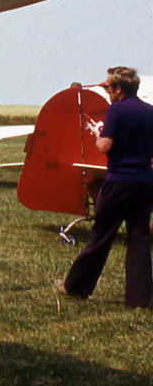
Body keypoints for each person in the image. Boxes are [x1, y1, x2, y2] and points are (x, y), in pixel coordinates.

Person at [57, 66, 153, 308]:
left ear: (118, 89)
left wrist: (96, 133)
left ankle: (75, 287)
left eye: (108, 87)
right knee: (139, 239)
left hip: (119, 182)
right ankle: (139, 300)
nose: (106, 91)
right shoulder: (150, 111)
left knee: (100, 237)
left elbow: (105, 146)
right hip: (144, 182)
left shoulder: (116, 110)